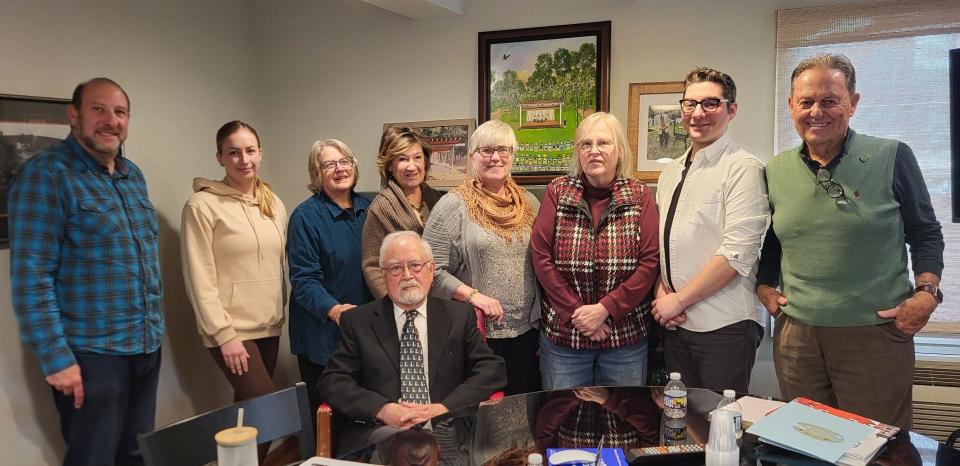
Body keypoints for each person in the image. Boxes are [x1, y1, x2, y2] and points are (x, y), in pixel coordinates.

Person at [757, 53, 944, 430]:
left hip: (873, 334)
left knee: (876, 447)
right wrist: (763, 284)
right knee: (807, 442)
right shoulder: (775, 170)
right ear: (791, 105)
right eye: (806, 102)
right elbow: (773, 239)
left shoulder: (891, 156)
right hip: (798, 337)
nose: (816, 112)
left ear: (853, 103)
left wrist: (926, 293)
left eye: (830, 100)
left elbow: (925, 232)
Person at [8, 77, 163, 466]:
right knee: (92, 457)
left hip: (145, 345)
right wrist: (56, 358)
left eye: (120, 112)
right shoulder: (46, 175)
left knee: (136, 453)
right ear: (73, 114)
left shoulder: (132, 175)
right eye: (99, 109)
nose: (111, 120)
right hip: (93, 354)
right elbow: (31, 275)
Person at [318, 231, 506, 453]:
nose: (407, 275)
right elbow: (333, 381)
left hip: (447, 427)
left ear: (431, 269)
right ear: (383, 274)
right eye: (396, 268)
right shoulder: (358, 321)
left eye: (415, 265)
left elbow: (491, 369)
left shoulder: (458, 315)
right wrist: (382, 409)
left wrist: (443, 408)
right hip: (380, 433)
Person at [653, 67, 769, 393]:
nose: (698, 114)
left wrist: (679, 301)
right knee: (683, 426)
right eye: (690, 104)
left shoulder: (743, 168)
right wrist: (663, 295)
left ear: (731, 110)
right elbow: (666, 244)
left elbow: (737, 254)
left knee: (721, 428)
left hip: (725, 326)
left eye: (710, 104)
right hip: (677, 326)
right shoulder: (671, 172)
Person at [531, 112, 660, 389]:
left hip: (624, 337)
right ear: (578, 152)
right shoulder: (558, 191)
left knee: (623, 421)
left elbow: (650, 262)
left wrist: (606, 309)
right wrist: (578, 312)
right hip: (565, 336)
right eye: (586, 144)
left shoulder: (639, 195)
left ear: (619, 150)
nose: (594, 151)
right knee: (564, 420)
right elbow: (541, 256)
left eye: (604, 143)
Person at [422, 119, 541, 395]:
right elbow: (430, 270)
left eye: (503, 149)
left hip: (527, 333)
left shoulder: (530, 204)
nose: (495, 157)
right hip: (477, 335)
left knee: (521, 415)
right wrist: (474, 296)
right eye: (486, 150)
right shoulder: (452, 206)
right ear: (472, 156)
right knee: (482, 417)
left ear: (513, 155)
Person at [180, 121, 287, 407]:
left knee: (251, 415)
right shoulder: (201, 206)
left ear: (260, 153)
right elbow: (198, 277)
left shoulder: (273, 203)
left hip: (269, 326)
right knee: (271, 409)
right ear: (220, 158)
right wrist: (223, 335)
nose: (244, 160)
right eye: (234, 153)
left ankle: (242, 456)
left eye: (250, 151)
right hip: (232, 330)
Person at [287, 138, 372, 419]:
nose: (339, 169)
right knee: (328, 419)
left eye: (344, 161)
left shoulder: (370, 209)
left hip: (364, 332)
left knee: (363, 415)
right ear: (316, 173)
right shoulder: (305, 217)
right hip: (323, 337)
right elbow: (304, 279)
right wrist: (334, 310)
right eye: (329, 164)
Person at [362, 126, 444, 299]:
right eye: (402, 159)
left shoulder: (439, 200)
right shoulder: (381, 208)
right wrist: (395, 304)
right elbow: (372, 266)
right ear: (390, 166)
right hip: (403, 303)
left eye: (417, 158)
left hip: (441, 299)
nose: (412, 166)